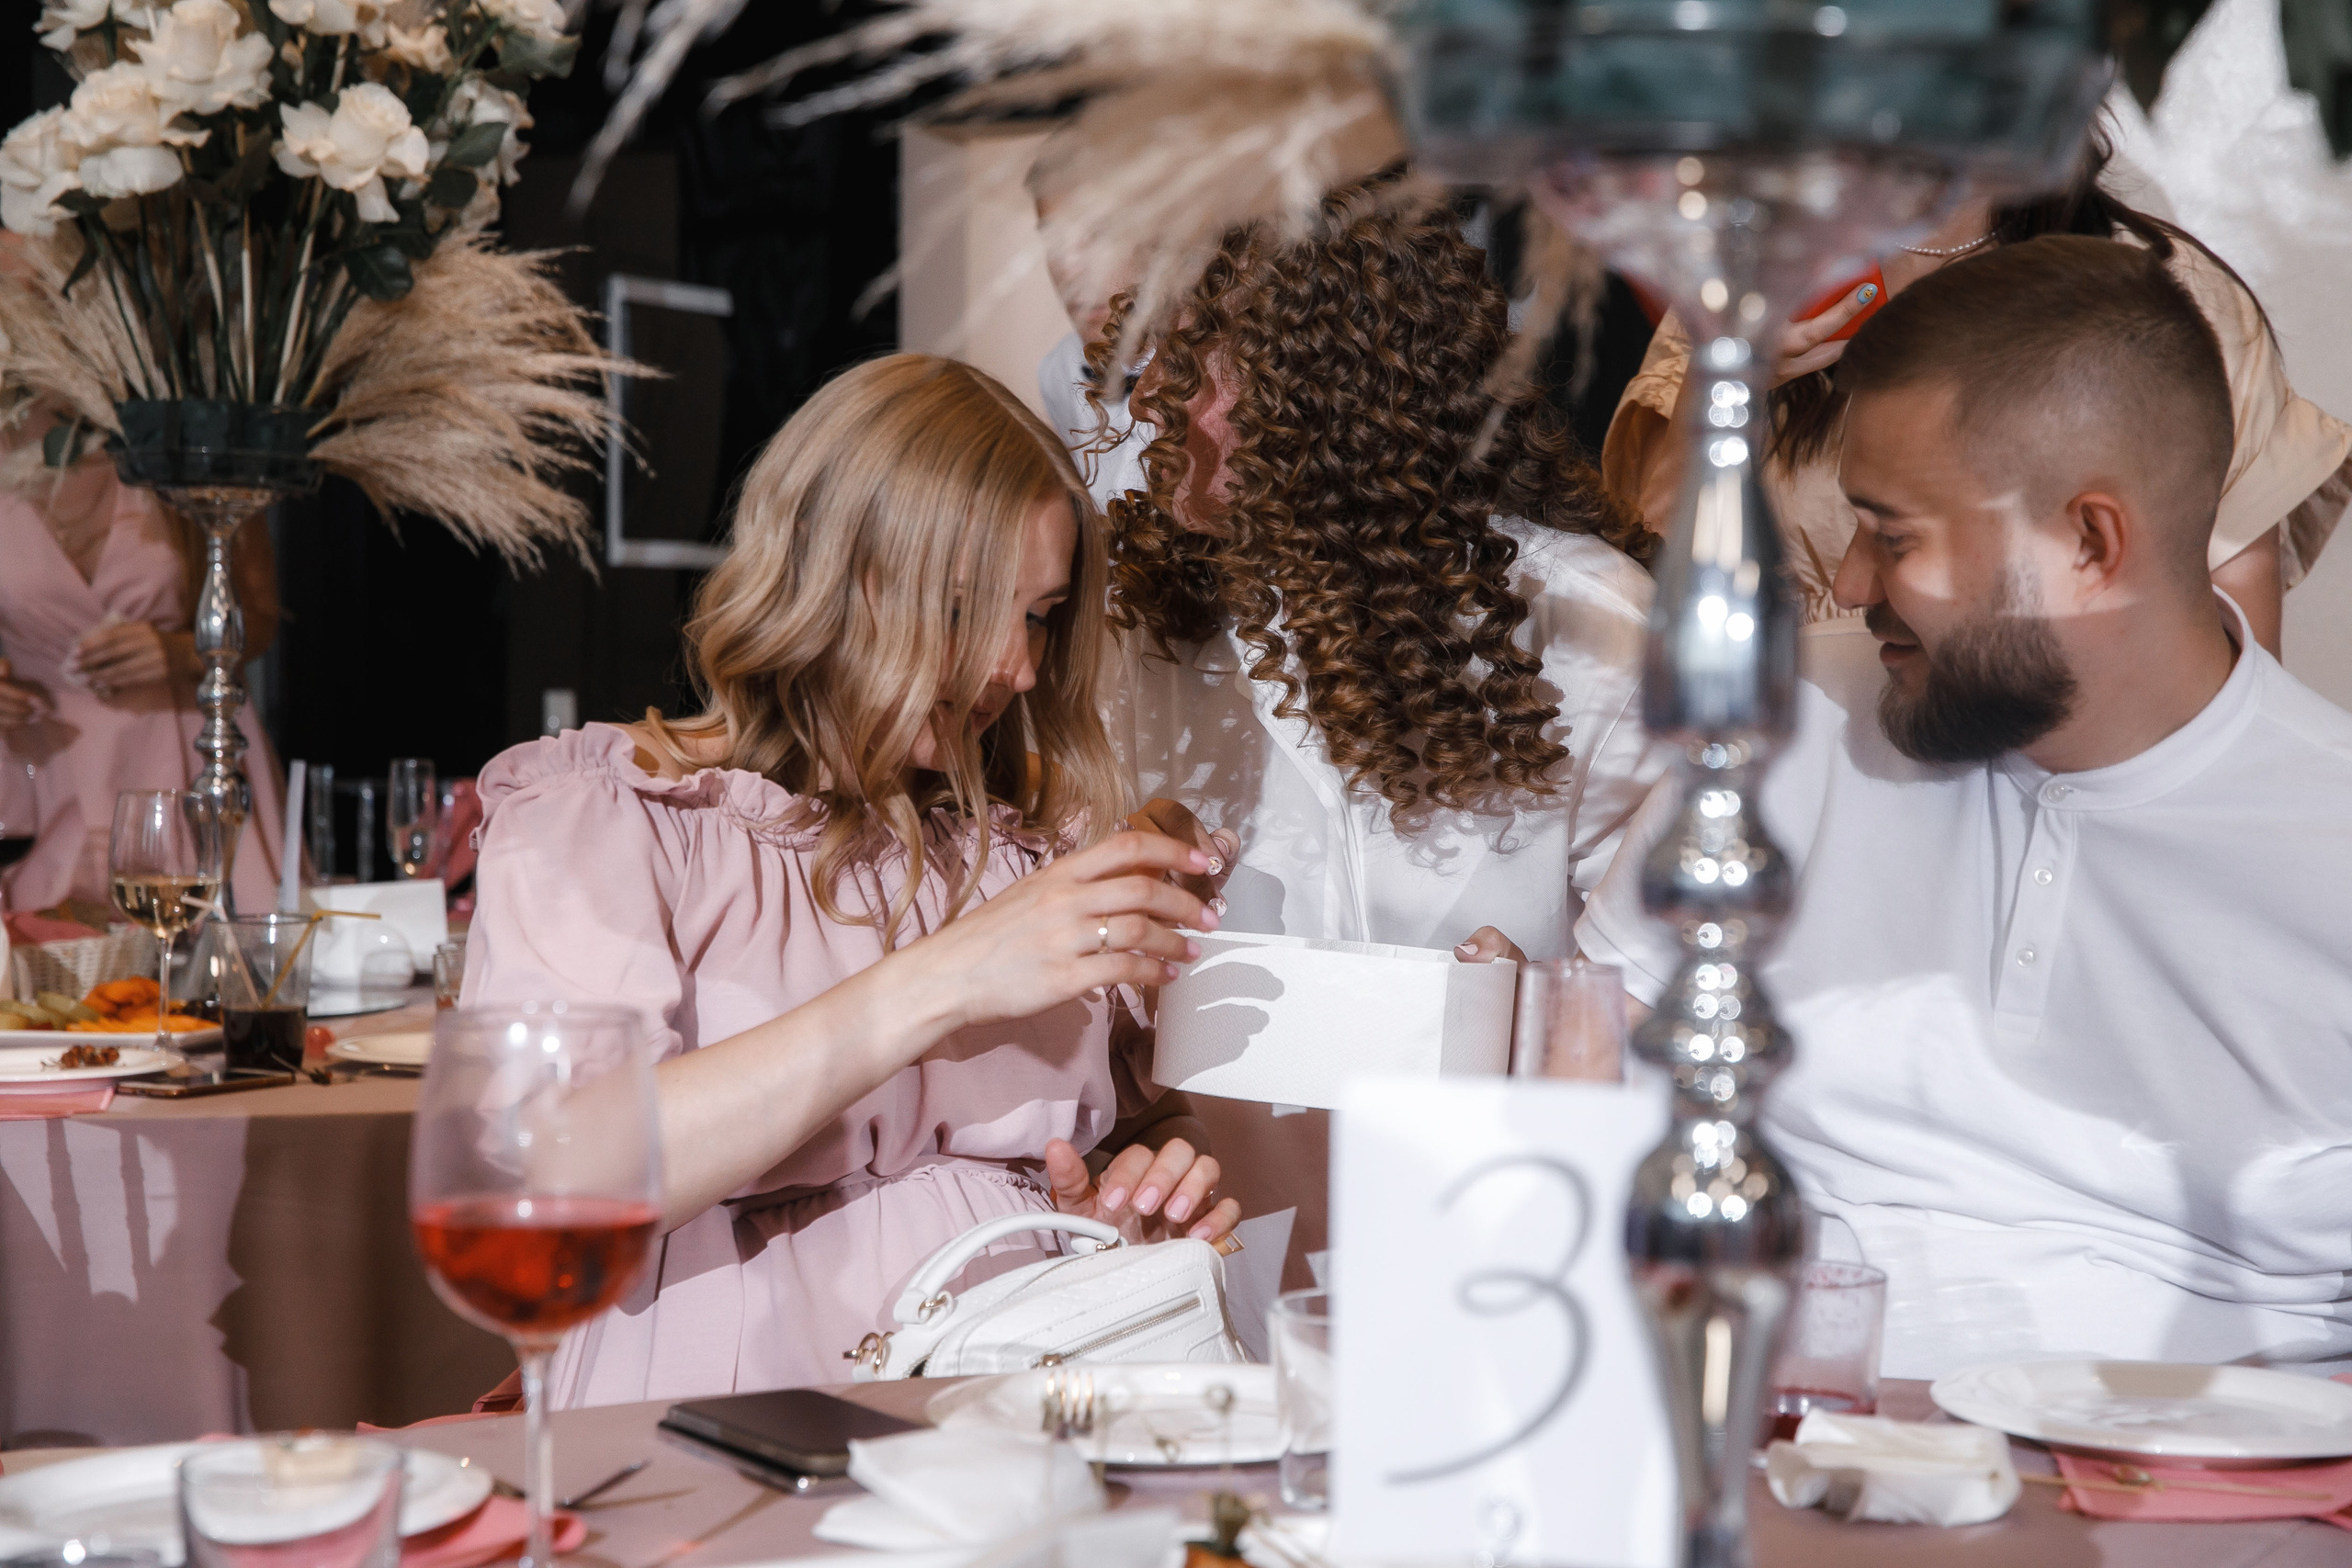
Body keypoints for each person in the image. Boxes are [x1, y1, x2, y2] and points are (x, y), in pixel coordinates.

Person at [1576, 236, 2352, 1377]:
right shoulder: (1783, 728)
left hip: (2190, 1497)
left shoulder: (2324, 838)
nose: (1844, 587)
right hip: (1754, 1431)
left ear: (2089, 542)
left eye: (1892, 537)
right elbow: (1589, 1071)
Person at [465, 354, 1242, 1407]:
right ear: (838, 577)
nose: (1016, 669)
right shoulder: (610, 823)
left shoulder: (1028, 840)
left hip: (1018, 1410)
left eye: (1040, 615)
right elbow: (554, 1181)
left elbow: (1139, 1125)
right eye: (972, 611)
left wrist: (1142, 1197)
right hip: (737, 1419)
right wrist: (948, 977)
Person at [1092, 180, 1668, 1281]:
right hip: (1209, 1257)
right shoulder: (1148, 634)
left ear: (1328, 396)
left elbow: (1673, 983)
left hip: (1506, 1243)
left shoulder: (1584, 632)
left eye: (1195, 364)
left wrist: (1537, 1006)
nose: (1154, 404)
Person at [1600, 132, 2351, 657]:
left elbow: (2228, 660)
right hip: (1798, 774)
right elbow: (1642, 588)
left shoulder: (2168, 297)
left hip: (2049, 787)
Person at [0, 418, 287, 915]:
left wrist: (181, 653)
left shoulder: (173, 431)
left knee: (224, 970)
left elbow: (261, 619)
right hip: (38, 770)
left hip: (183, 758)